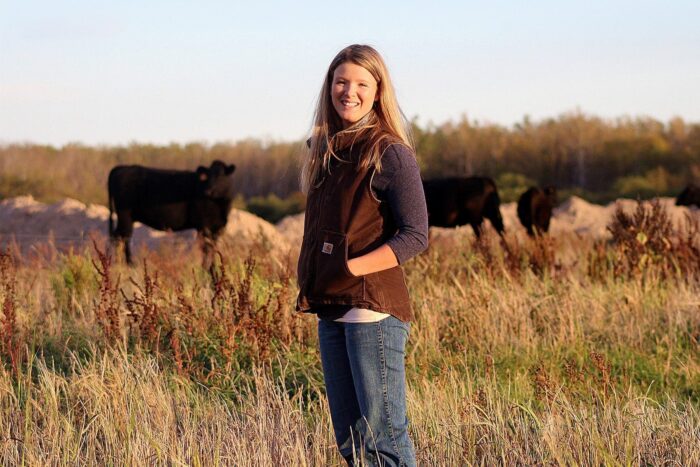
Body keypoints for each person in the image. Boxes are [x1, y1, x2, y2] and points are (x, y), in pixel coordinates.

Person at [296, 44, 428, 467]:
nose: (348, 91)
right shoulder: (328, 150)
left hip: (370, 308)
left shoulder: (389, 151)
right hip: (331, 305)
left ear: (377, 91)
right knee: (353, 443)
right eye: (340, 81)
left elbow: (415, 235)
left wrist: (352, 266)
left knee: (384, 440)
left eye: (360, 84)